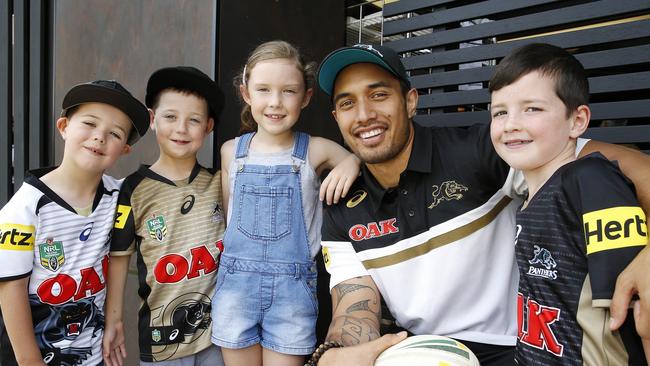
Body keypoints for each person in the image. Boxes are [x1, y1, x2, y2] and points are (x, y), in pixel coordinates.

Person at [312, 43, 650, 366]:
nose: (365, 114)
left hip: (519, 346)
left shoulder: (481, 150)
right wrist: (339, 352)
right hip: (422, 350)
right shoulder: (341, 203)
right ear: (337, 117)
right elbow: (354, 308)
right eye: (347, 103)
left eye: (379, 94)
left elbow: (633, 170)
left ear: (410, 101)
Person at [489, 43, 647, 365]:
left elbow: (641, 313)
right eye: (500, 112)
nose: (511, 124)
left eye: (532, 108)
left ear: (577, 121)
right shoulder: (528, 197)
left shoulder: (591, 180)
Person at [210, 40, 360, 366]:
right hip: (236, 286)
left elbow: (357, 160)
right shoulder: (230, 152)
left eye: (288, 91)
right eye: (263, 90)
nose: (275, 102)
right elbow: (227, 215)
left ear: (305, 97)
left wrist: (350, 163)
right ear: (246, 93)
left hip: (292, 292)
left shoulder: (317, 150)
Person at [0, 80, 149, 366]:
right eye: (89, 123)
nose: (100, 137)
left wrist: (115, 320)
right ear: (64, 126)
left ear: (125, 150)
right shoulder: (25, 209)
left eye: (115, 134)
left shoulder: (120, 196)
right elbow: (11, 290)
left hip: (92, 355)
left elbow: (120, 253)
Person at [102, 67, 226, 366]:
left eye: (194, 120)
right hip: (162, 342)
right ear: (153, 119)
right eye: (170, 117)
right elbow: (119, 259)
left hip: (220, 337)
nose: (181, 129)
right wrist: (114, 320)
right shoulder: (133, 190)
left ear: (208, 126)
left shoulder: (222, 183)